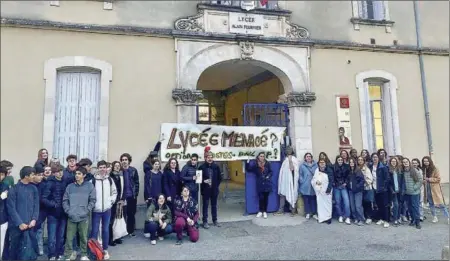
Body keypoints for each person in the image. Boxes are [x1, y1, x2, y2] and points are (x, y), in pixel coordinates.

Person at [63, 167, 96, 261]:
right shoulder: (70, 187)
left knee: (83, 237)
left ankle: (84, 255)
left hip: (84, 216)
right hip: (71, 216)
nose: (76, 175)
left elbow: (92, 200)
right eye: (76, 173)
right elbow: (65, 200)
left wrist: (87, 210)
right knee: (69, 238)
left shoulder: (89, 186)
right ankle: (68, 255)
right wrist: (68, 211)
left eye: (79, 174)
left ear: (84, 175)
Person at [6, 166, 40, 261]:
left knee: (30, 250)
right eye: (33, 174)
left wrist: (34, 219)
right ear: (26, 176)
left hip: (30, 225)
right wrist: (19, 223)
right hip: (16, 226)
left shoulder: (34, 188)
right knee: (15, 249)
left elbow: (36, 206)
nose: (34, 176)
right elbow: (11, 208)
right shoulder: (14, 189)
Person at [91, 160, 117, 260]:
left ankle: (105, 249)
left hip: (107, 209)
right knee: (95, 230)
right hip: (96, 210)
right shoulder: (93, 181)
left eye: (104, 167)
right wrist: (93, 205)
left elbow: (114, 192)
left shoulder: (110, 180)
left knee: (105, 230)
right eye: (100, 167)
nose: (102, 169)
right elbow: (90, 194)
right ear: (98, 169)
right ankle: (94, 251)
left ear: (106, 168)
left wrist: (111, 202)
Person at [42, 164, 68, 260]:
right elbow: (44, 198)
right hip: (52, 214)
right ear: (54, 173)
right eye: (57, 171)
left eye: (61, 171)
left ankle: (59, 253)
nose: (60, 173)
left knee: (61, 236)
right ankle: (52, 255)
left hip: (63, 213)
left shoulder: (65, 181)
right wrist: (53, 204)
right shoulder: (50, 182)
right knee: (52, 236)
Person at [245, 152, 273, 219]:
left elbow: (271, 172)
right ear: (258, 157)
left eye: (263, 156)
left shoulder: (267, 163)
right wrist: (247, 162)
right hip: (260, 184)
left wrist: (268, 176)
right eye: (261, 156)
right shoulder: (256, 165)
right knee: (261, 198)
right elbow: (248, 169)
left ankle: (265, 212)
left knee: (266, 198)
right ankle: (260, 211)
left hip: (267, 183)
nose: (262, 157)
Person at [422, 156, 449, 224]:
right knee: (431, 204)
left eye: (427, 161)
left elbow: (438, 179)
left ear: (430, 161)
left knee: (441, 204)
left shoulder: (435, 168)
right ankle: (434, 217)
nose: (425, 162)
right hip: (427, 189)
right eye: (424, 161)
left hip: (435, 189)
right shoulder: (423, 169)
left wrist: (429, 179)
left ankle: (448, 217)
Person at [199, 152, 222, 228]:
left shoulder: (216, 167)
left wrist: (215, 185)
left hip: (214, 190)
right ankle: (205, 221)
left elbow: (219, 178)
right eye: (208, 157)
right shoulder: (201, 167)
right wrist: (203, 181)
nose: (210, 158)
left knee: (214, 205)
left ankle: (215, 220)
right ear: (205, 158)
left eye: (211, 157)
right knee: (205, 205)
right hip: (205, 190)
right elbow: (198, 178)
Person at [276, 147, 299, 216]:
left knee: (291, 193)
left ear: (292, 151)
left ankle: (293, 210)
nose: (288, 151)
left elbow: (292, 169)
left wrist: (290, 160)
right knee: (282, 194)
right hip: (284, 180)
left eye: (290, 150)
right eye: (287, 150)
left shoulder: (294, 159)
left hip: (291, 180)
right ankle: (281, 210)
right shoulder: (285, 159)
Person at [120, 153, 139, 237]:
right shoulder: (119, 171)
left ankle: (130, 231)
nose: (124, 161)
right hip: (122, 197)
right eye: (123, 160)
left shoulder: (133, 170)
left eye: (126, 160)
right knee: (122, 215)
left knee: (131, 214)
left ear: (129, 161)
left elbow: (137, 183)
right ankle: (122, 232)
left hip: (131, 196)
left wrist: (136, 194)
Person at [32, 163, 49, 256]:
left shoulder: (44, 185)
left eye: (42, 175)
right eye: (39, 175)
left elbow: (44, 199)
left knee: (39, 231)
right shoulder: (29, 185)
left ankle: (40, 248)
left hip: (41, 212)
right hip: (30, 213)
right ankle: (31, 249)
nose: (41, 177)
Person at [370, 153, 390, 228]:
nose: (374, 159)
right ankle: (381, 218)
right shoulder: (371, 166)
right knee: (379, 205)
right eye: (373, 157)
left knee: (385, 205)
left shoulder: (383, 167)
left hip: (382, 189)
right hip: (375, 189)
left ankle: (387, 220)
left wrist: (384, 188)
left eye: (376, 157)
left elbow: (387, 178)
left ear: (378, 158)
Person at [402, 157, 423, 229]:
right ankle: (413, 220)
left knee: (415, 207)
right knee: (410, 207)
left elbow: (420, 180)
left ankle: (417, 222)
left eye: (406, 162)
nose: (405, 163)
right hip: (407, 193)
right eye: (404, 162)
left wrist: (415, 188)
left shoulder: (414, 170)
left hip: (414, 193)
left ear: (409, 162)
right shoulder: (403, 171)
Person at [311, 159, 333, 224]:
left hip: (327, 190)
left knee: (328, 205)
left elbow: (331, 181)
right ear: (318, 163)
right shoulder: (317, 170)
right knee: (320, 205)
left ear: (325, 163)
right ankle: (322, 218)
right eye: (320, 162)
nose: (322, 163)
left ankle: (328, 218)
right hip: (319, 191)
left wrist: (328, 190)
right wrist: (316, 182)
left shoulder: (329, 170)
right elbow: (313, 179)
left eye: (323, 162)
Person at [109, 161, 125, 246]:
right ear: (113, 167)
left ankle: (117, 237)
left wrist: (122, 199)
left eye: (119, 166)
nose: (117, 167)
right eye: (115, 166)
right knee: (111, 220)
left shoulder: (121, 176)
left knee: (118, 220)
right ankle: (110, 239)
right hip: (113, 201)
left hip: (119, 201)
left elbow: (124, 188)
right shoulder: (110, 176)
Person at [299, 153, 318, 220]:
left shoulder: (316, 165)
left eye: (310, 156)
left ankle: (314, 213)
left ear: (312, 158)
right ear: (305, 158)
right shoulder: (302, 166)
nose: (308, 158)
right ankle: (307, 213)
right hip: (305, 185)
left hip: (313, 185)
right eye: (307, 156)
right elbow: (300, 174)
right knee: (306, 200)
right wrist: (302, 181)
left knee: (313, 200)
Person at [333, 156, 351, 224]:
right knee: (338, 202)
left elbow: (348, 176)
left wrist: (346, 183)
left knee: (346, 202)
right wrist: (335, 183)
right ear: (336, 160)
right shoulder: (334, 167)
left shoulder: (346, 167)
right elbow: (333, 176)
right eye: (338, 160)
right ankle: (340, 215)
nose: (340, 161)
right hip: (336, 186)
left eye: (341, 160)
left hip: (344, 186)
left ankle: (347, 217)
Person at [388, 157, 406, 226]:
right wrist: (392, 190)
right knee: (396, 205)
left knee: (400, 205)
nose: (393, 162)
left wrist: (403, 189)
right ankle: (395, 219)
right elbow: (388, 183)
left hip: (400, 190)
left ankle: (398, 218)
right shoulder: (389, 170)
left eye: (395, 161)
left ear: (397, 162)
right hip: (393, 191)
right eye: (392, 161)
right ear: (390, 162)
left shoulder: (400, 170)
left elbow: (403, 181)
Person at [347, 158, 365, 225]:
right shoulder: (349, 171)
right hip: (351, 191)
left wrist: (357, 186)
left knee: (358, 206)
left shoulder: (358, 170)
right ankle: (356, 218)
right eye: (350, 162)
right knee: (353, 206)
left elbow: (362, 180)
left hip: (358, 191)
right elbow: (347, 179)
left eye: (352, 162)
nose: (351, 163)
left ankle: (361, 219)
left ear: (355, 163)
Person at [358, 156, 374, 224]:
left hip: (366, 188)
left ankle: (369, 217)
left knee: (368, 203)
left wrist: (364, 180)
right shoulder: (357, 169)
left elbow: (370, 179)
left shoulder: (367, 169)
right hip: (359, 189)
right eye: (359, 160)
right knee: (362, 203)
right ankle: (363, 216)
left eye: (361, 160)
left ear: (364, 161)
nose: (360, 161)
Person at [0, 166, 9, 259]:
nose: (0, 176)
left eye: (2, 174)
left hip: (2, 219)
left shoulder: (5, 185)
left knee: (2, 243)